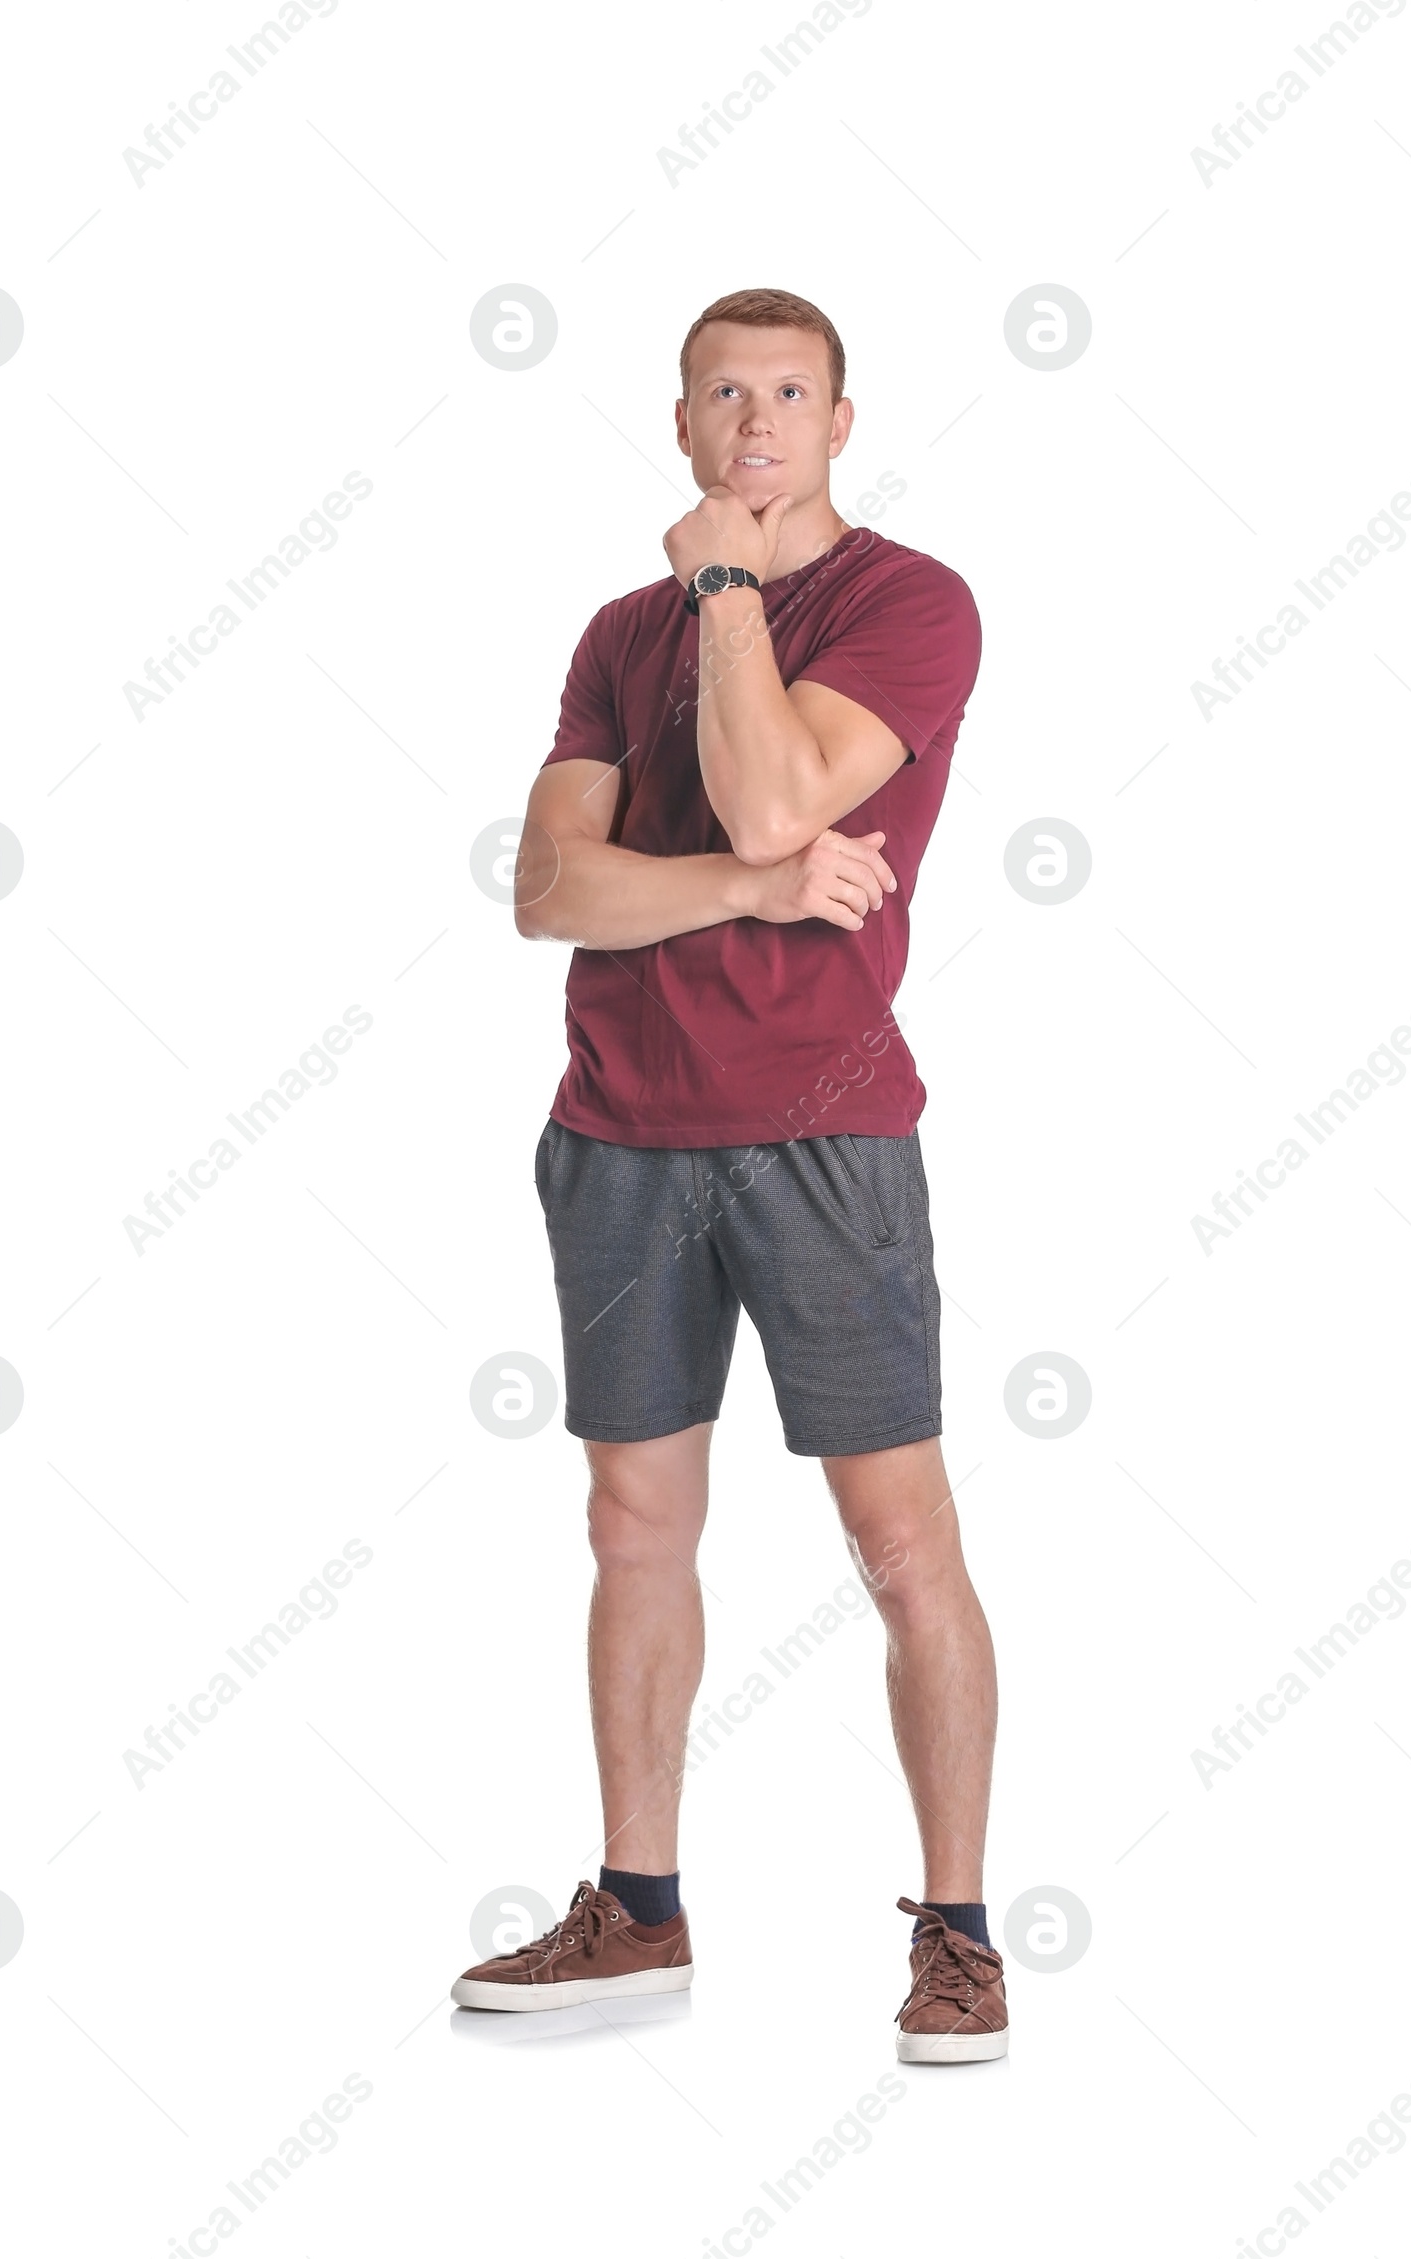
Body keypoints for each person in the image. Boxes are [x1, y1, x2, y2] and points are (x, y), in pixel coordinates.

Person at [450, 288, 1005, 2062]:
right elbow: (552, 892)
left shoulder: (911, 604)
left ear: (845, 419)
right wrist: (757, 895)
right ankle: (643, 1912)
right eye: (722, 395)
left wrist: (730, 591)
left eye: (788, 392)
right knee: (632, 1523)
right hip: (618, 1128)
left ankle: (963, 1934)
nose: (754, 421)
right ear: (681, 425)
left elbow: (771, 796)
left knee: (899, 1533)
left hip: (826, 1130)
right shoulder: (617, 631)